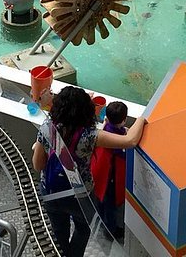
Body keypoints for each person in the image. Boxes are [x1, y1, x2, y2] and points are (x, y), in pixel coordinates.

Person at [32, 86, 145, 257]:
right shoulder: (90, 135)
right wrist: (142, 118)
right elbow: (130, 140)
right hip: (80, 195)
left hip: (51, 192)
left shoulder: (48, 127)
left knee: (58, 231)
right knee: (84, 229)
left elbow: (38, 165)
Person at [91, 100, 128, 240]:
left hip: (99, 175)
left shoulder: (105, 130)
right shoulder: (117, 140)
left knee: (101, 201)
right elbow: (123, 153)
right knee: (110, 206)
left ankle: (102, 223)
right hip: (110, 180)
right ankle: (111, 231)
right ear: (124, 120)